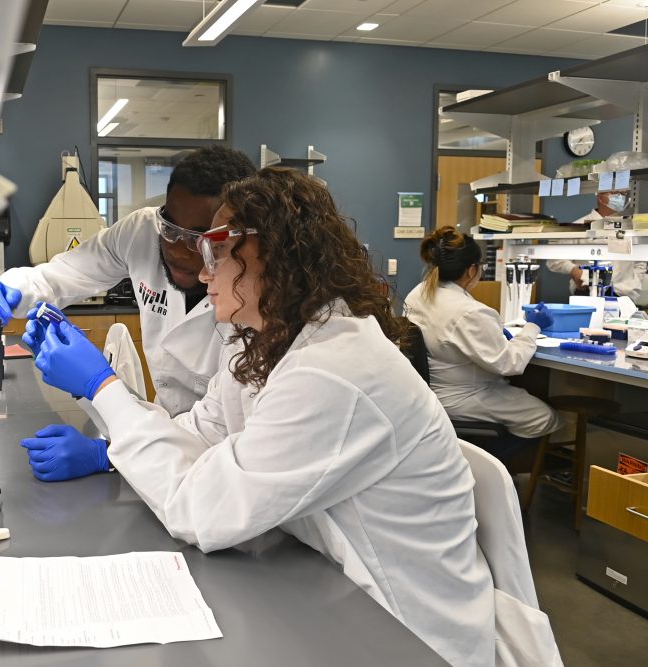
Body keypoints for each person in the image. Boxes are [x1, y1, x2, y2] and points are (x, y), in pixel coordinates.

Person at [25, 167, 497, 666]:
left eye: (217, 252)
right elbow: (205, 430)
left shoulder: (333, 369)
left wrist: (102, 389)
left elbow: (204, 514)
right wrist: (108, 454)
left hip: (403, 632)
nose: (203, 272)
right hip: (323, 584)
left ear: (276, 257)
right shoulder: (271, 341)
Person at [0, 145, 256, 482]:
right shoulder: (142, 232)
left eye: (198, 239)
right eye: (170, 228)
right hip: (163, 436)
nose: (177, 250)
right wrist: (7, 290)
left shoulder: (251, 303)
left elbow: (228, 436)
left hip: (211, 463)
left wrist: (109, 453)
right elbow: (66, 273)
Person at [405, 226, 564, 447]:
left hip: (431, 394)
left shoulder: (418, 293)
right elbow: (510, 363)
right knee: (546, 418)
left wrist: (494, 332)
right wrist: (533, 326)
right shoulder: (470, 311)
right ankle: (497, 468)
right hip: (465, 396)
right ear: (471, 270)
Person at [548, 191, 648, 304]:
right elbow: (554, 260)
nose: (621, 197)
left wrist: (634, 285)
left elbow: (641, 259)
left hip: (623, 297)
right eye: (615, 193)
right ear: (600, 197)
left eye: (623, 193)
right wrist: (573, 270)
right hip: (586, 294)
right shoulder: (579, 226)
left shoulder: (632, 228)